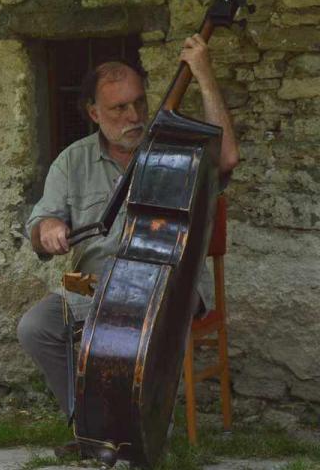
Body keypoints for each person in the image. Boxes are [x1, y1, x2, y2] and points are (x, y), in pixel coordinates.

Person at [17, 35, 240, 456]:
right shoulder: (73, 160)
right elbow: (38, 226)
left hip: (168, 284)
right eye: (119, 108)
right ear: (93, 113)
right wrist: (46, 228)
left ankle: (140, 433)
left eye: (139, 102)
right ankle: (91, 427)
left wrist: (204, 75)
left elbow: (227, 157)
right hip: (91, 283)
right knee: (36, 326)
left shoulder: (175, 149)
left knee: (132, 327)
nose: (135, 115)